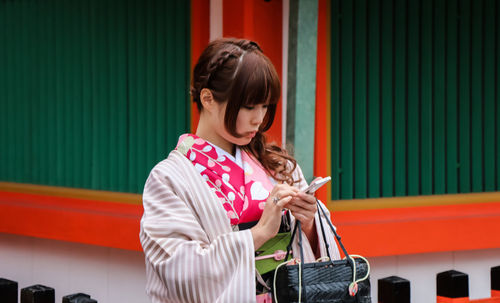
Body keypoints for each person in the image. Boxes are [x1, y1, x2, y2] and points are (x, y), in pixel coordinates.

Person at [140, 38, 340, 303]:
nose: (259, 118)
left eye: (265, 105)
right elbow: (177, 271)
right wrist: (258, 235)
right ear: (208, 99)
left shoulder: (277, 166)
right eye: (249, 106)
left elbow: (320, 253)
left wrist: (310, 223)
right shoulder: (168, 179)